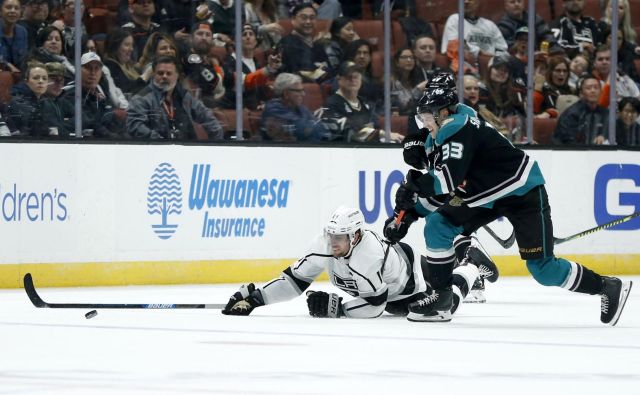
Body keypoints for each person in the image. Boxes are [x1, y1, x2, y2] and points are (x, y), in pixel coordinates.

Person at [389, 74, 633, 324]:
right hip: (486, 195)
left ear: (443, 112)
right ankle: (442, 299)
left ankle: (607, 286)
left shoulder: (456, 128)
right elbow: (446, 188)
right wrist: (410, 214)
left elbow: (446, 181)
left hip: (521, 191)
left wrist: (413, 186)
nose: (425, 124)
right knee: (438, 225)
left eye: (428, 118)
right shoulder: (445, 131)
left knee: (543, 270)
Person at [221, 206, 495, 318]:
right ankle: (469, 263)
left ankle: (470, 265)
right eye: (331, 235)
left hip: (407, 284)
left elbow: (377, 306)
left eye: (340, 237)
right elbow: (294, 280)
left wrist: (339, 309)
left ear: (356, 235)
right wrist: (257, 298)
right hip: (390, 274)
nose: (333, 242)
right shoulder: (324, 244)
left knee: (442, 305)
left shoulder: (367, 256)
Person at [127, 56, 224, 140]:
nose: (164, 76)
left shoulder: (185, 96)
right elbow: (135, 127)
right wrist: (160, 142)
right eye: (160, 73)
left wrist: (217, 143)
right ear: (153, 75)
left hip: (185, 150)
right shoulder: (141, 99)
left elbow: (207, 118)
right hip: (154, 152)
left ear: (177, 76)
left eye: (169, 73)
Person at [61, 52, 126, 138]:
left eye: (97, 68)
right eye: (88, 68)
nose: (93, 73)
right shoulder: (70, 94)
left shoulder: (100, 93)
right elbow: (89, 122)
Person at [321, 61, 381, 142]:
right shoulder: (331, 104)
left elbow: (376, 125)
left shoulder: (365, 103)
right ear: (339, 79)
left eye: (356, 76)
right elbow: (349, 130)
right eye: (348, 76)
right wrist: (380, 133)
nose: (353, 79)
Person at [259, 72, 326, 141]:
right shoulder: (273, 109)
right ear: (286, 93)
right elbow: (301, 131)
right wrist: (311, 126)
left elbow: (319, 126)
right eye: (298, 91)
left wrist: (312, 126)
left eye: (302, 90)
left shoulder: (300, 107)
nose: (303, 94)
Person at [440, 0, 508, 60]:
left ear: (477, 2)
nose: (466, 1)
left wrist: (497, 57)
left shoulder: (490, 25)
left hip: (492, 67)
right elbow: (453, 46)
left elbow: (503, 49)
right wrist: (480, 52)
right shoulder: (454, 19)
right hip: (463, 65)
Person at [279, 2, 330, 82]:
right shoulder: (288, 43)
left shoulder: (317, 44)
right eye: (304, 18)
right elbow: (298, 72)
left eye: (312, 18)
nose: (308, 22)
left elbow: (329, 69)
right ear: (293, 19)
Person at [7, 62, 59, 137]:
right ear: (26, 81)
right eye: (36, 78)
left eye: (44, 78)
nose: (41, 81)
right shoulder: (17, 104)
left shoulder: (49, 104)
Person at [554, 75, 608, 144]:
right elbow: (568, 140)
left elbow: (611, 133)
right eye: (588, 88)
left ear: (601, 92)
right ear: (582, 93)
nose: (593, 91)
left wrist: (603, 136)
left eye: (596, 88)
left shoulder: (605, 113)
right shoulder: (571, 114)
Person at [103, 27, 149, 95]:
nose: (131, 49)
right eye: (127, 45)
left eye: (132, 45)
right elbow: (127, 90)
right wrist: (147, 75)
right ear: (115, 46)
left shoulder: (129, 66)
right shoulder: (110, 66)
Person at [0, 0, 28, 74]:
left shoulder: (22, 32)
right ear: (0, 11)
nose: (13, 11)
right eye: (8, 7)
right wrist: (8, 65)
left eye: (16, 8)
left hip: (17, 76)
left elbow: (23, 59)